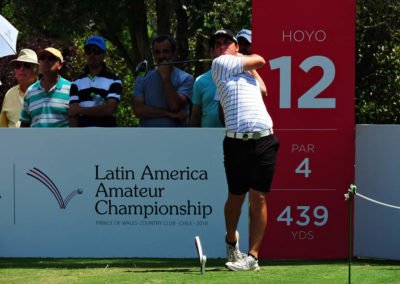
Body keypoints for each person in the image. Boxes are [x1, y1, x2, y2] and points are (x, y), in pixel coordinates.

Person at [210, 29, 279, 271]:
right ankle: (232, 241)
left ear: (236, 46)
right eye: (216, 44)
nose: (221, 46)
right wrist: (243, 60)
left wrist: (246, 66)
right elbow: (260, 58)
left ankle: (253, 257)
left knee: (258, 197)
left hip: (263, 139)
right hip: (236, 142)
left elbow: (264, 90)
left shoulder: (244, 69)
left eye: (226, 43)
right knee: (236, 197)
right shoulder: (220, 63)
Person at [133, 34, 194, 127]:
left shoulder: (186, 78)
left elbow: (174, 106)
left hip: (176, 137)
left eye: (166, 51)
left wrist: (165, 77)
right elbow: (138, 109)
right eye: (157, 52)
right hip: (147, 137)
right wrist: (169, 114)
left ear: (174, 53)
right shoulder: (142, 78)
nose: (161, 56)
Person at [69, 36, 122, 127]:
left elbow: (109, 109)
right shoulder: (76, 83)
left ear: (104, 55)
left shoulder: (115, 81)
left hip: (106, 136)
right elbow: (73, 115)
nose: (92, 55)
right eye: (88, 51)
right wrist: (75, 138)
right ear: (85, 54)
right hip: (83, 137)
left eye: (96, 51)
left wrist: (80, 110)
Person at [19, 47, 70, 127]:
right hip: (36, 140)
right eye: (43, 58)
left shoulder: (71, 89)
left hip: (63, 139)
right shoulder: (30, 91)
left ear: (60, 65)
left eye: (51, 58)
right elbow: (24, 125)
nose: (46, 60)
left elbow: (77, 123)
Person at [189, 37, 224, 128]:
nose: (222, 49)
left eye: (226, 44)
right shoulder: (200, 81)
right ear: (211, 53)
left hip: (233, 136)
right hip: (206, 137)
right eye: (218, 45)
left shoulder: (241, 77)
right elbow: (195, 117)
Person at [0, 49, 39, 127]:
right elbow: (2, 127)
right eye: (18, 65)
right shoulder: (10, 94)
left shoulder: (44, 93)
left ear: (36, 71)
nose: (21, 68)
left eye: (27, 65)